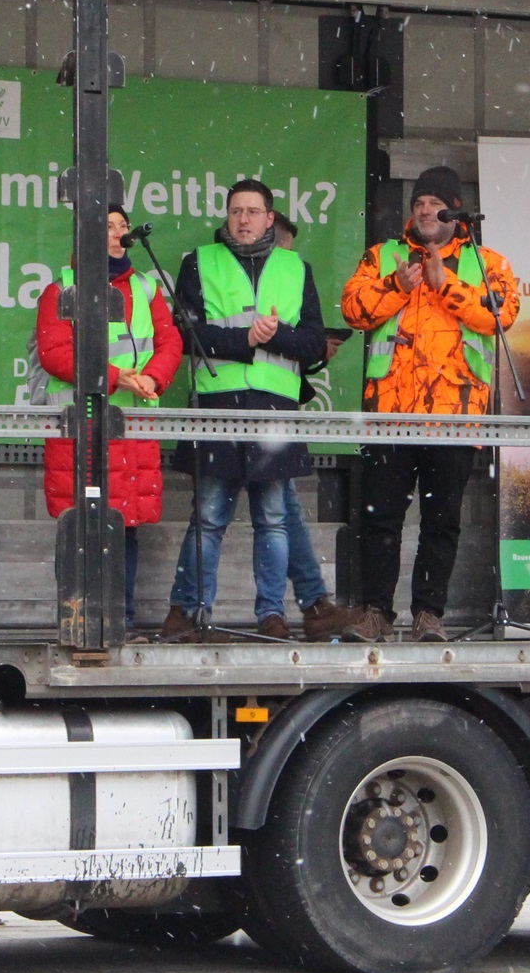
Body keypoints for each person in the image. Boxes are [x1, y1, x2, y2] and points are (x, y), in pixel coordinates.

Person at [333, 166, 519, 642]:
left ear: (455, 212)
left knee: (442, 522)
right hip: (390, 415)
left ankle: (428, 614)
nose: (422, 211)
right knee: (379, 519)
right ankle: (376, 612)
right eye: (417, 204)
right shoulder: (383, 257)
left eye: (434, 203)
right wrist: (398, 287)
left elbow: (500, 317)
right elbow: (353, 310)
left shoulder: (488, 261)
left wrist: (445, 286)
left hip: (454, 417)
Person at [162, 179, 340, 642]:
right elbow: (185, 335)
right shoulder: (199, 262)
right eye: (236, 211)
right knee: (208, 517)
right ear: (228, 216)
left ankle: (272, 615)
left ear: (269, 218)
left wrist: (274, 335)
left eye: (253, 211)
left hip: (273, 407)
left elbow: (312, 342)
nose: (243, 219)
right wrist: (245, 341)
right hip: (218, 404)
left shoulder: (296, 267)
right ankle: (188, 611)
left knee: (274, 519)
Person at [33, 206, 183, 631]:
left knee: (124, 528)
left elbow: (170, 341)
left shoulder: (147, 289)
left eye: (122, 227)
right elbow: (56, 353)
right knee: (80, 530)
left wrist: (152, 377)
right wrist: (119, 377)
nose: (117, 235)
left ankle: (122, 620)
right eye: (107, 228)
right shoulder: (60, 290)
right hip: (80, 432)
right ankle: (79, 621)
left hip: (130, 430)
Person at [270, 213, 343, 625]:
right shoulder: (248, 277)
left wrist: (314, 350)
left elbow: (297, 339)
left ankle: (311, 603)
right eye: (286, 252)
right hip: (244, 410)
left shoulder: (290, 276)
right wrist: (304, 344)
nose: (289, 263)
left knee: (282, 509)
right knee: (213, 516)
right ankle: (303, 606)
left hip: (277, 408)